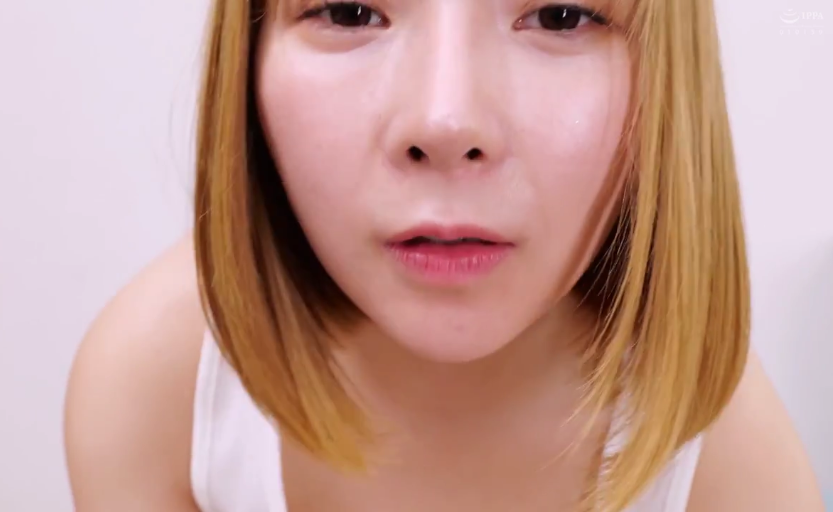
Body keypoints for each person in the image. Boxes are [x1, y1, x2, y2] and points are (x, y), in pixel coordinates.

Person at [64, 0, 825, 510]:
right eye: (349, 10)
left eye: (559, 15)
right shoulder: (158, 388)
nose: (447, 120)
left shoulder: (730, 466)